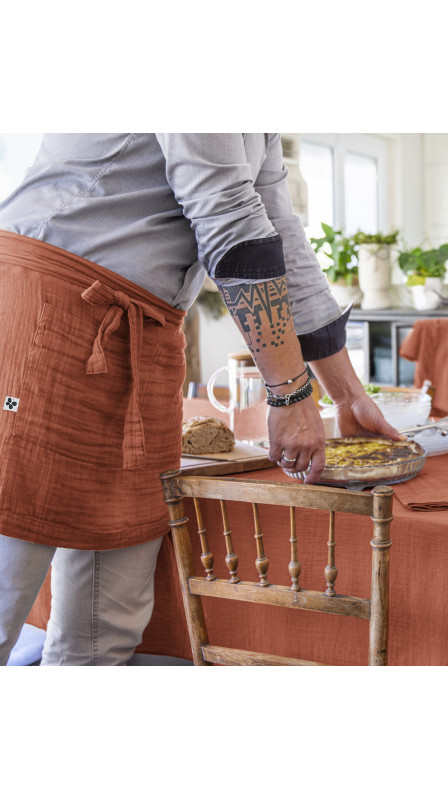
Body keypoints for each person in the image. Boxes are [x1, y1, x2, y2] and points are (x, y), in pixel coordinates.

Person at [0, 133, 400, 666]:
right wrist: (289, 390)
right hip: (49, 313)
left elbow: (281, 234)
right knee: (7, 590)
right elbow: (228, 220)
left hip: (147, 334)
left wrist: (346, 395)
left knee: (107, 627)